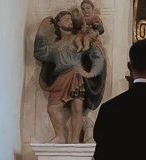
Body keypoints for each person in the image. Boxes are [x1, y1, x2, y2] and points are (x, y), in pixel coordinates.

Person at [33, 11, 106, 143]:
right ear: (59, 23)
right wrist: (41, 30)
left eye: (71, 19)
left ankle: (75, 140)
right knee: (52, 109)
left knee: (77, 108)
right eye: (66, 19)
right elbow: (40, 53)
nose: (70, 21)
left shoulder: (80, 40)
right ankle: (60, 136)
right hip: (60, 78)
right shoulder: (55, 46)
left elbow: (97, 56)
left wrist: (91, 73)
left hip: (75, 75)